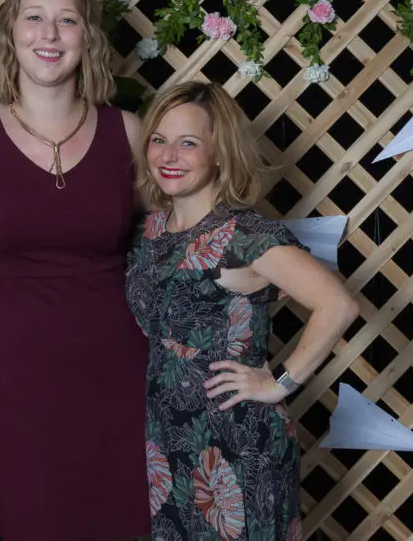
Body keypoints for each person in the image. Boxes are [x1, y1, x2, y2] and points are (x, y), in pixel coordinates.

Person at [0, 0, 150, 541]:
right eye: (34, 18)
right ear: (10, 31)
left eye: (67, 20)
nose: (49, 34)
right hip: (13, 372)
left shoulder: (129, 132)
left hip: (117, 367)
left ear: (88, 37)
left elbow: (171, 236)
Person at [126, 82, 360, 541]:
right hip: (168, 439)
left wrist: (278, 383)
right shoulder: (149, 232)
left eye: (188, 143)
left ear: (220, 152)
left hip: (237, 441)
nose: (169, 155)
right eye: (159, 139)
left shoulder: (243, 235)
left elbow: (339, 304)